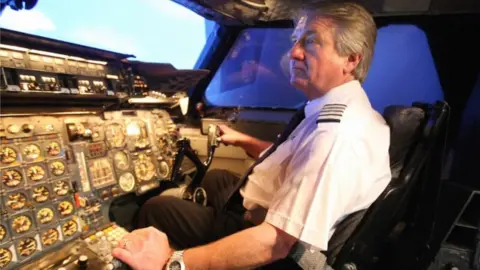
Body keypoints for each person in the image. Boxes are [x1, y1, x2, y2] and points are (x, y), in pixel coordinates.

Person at [112, 2, 391, 269]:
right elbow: (296, 159)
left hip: (259, 233)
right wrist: (242, 140)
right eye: (296, 40)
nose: (294, 53)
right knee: (216, 177)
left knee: (157, 208)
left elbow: (276, 243)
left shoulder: (337, 135)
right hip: (260, 208)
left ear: (351, 59)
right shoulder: (335, 110)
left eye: (311, 41)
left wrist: (175, 262)